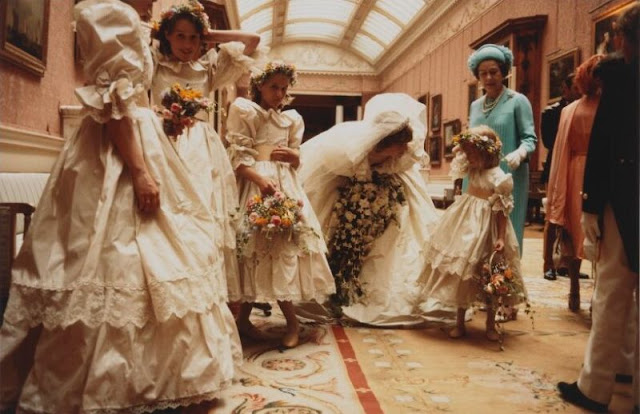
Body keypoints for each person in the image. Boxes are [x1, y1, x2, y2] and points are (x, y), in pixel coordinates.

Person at [0, 0, 242, 412]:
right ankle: (112, 382)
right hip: (121, 151)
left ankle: (149, 375)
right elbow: (116, 109)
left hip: (134, 140)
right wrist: (141, 171)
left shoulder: (129, 23)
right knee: (120, 256)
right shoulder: (113, 18)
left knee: (155, 255)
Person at [298, 93, 442, 327]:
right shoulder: (351, 151)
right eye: (400, 145)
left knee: (398, 238)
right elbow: (335, 172)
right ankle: (336, 284)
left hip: (387, 196)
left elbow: (398, 165)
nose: (404, 150)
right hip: (348, 193)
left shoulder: (400, 159)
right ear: (386, 142)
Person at [150, 0, 261, 302]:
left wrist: (208, 35)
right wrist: (164, 29)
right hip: (162, 138)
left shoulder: (209, 68)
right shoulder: (155, 61)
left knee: (199, 214)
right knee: (167, 212)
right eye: (180, 36)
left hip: (199, 146)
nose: (187, 44)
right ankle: (166, 282)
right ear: (167, 35)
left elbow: (252, 41)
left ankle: (198, 290)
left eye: (193, 37)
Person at [558, 4, 639, 412]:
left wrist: (590, 203)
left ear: (626, 39)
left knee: (611, 289)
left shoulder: (620, 77)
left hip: (624, 195)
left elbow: (604, 142)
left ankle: (595, 387)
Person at [225, 61, 335, 348]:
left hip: (285, 186)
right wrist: (260, 180)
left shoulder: (291, 119)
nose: (279, 94)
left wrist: (294, 157)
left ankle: (292, 323)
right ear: (259, 86)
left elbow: (296, 159)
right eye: (274, 87)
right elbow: (238, 160)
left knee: (282, 247)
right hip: (256, 184)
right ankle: (243, 320)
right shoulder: (246, 112)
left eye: (284, 89)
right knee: (252, 251)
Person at [418, 126, 527, 341]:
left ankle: (490, 324)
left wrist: (500, 236)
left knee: (489, 276)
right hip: (465, 223)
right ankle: (459, 321)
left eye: (473, 154)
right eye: (468, 154)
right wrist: (466, 146)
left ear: (486, 153)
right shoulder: (473, 169)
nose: (468, 158)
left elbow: (502, 210)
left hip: (487, 227)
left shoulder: (499, 177)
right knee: (463, 275)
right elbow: (458, 156)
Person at [545, 54, 604, 311]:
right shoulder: (571, 111)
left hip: (597, 172)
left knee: (598, 235)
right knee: (576, 232)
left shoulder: (610, 106)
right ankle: (577, 288)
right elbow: (562, 149)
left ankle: (594, 292)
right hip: (579, 173)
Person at [467, 44, 538, 255]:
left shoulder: (518, 101)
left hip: (508, 175)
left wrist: (520, 153)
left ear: (504, 72)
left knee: (506, 233)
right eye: (483, 73)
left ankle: (505, 274)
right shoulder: (475, 106)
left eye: (494, 72)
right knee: (476, 233)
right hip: (478, 177)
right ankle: (479, 275)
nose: (488, 77)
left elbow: (530, 139)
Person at [541, 74, 579, 281]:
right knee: (553, 215)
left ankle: (567, 262)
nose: (579, 91)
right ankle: (548, 264)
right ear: (565, 89)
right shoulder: (551, 112)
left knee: (573, 216)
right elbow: (548, 142)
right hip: (556, 166)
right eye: (575, 87)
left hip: (577, 166)